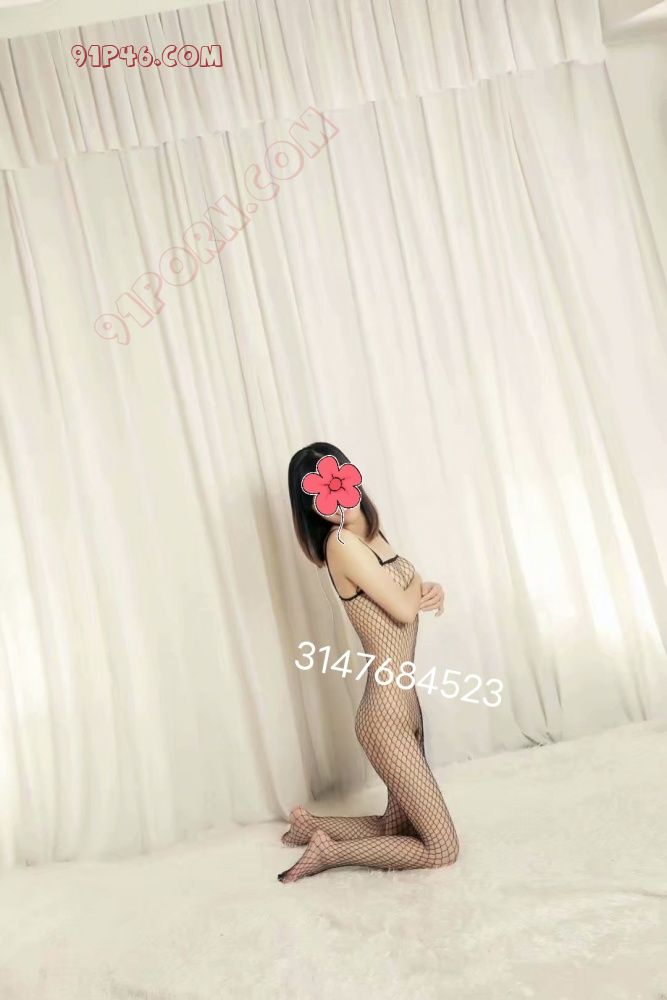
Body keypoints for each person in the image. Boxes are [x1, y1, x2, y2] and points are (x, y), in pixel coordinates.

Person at [279, 441, 459, 883]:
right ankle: (330, 853)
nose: (335, 493)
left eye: (338, 478)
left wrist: (429, 586)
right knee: (441, 849)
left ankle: (310, 826)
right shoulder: (341, 542)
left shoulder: (369, 536)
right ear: (311, 504)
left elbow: (405, 589)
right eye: (320, 489)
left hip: (406, 707)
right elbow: (402, 609)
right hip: (384, 717)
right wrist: (416, 589)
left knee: (395, 826)